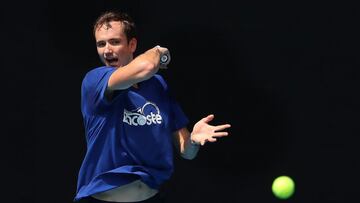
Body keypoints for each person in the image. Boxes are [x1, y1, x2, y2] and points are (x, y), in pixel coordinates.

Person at [75, 11, 231, 203]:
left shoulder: (158, 85)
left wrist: (194, 140)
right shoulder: (95, 80)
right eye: (101, 44)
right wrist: (158, 51)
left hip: (152, 197)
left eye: (114, 42)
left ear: (132, 44)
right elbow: (147, 66)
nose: (107, 50)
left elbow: (186, 152)